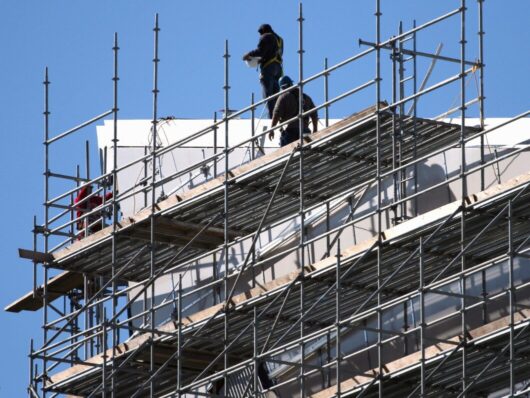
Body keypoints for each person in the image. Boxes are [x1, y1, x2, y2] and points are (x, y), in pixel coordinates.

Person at [243, 24, 284, 119]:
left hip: (268, 68)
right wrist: (261, 59)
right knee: (276, 95)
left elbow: (261, 51)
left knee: (268, 96)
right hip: (278, 69)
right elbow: (272, 53)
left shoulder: (266, 36)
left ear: (263, 31)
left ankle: (271, 118)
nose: (260, 36)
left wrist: (248, 55)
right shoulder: (280, 39)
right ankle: (278, 116)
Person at [269, 75, 319, 147]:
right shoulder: (305, 97)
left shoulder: (283, 97)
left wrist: (272, 130)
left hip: (291, 132)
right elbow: (314, 114)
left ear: (283, 87)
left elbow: (276, 114)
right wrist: (315, 129)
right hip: (305, 131)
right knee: (306, 154)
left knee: (288, 154)